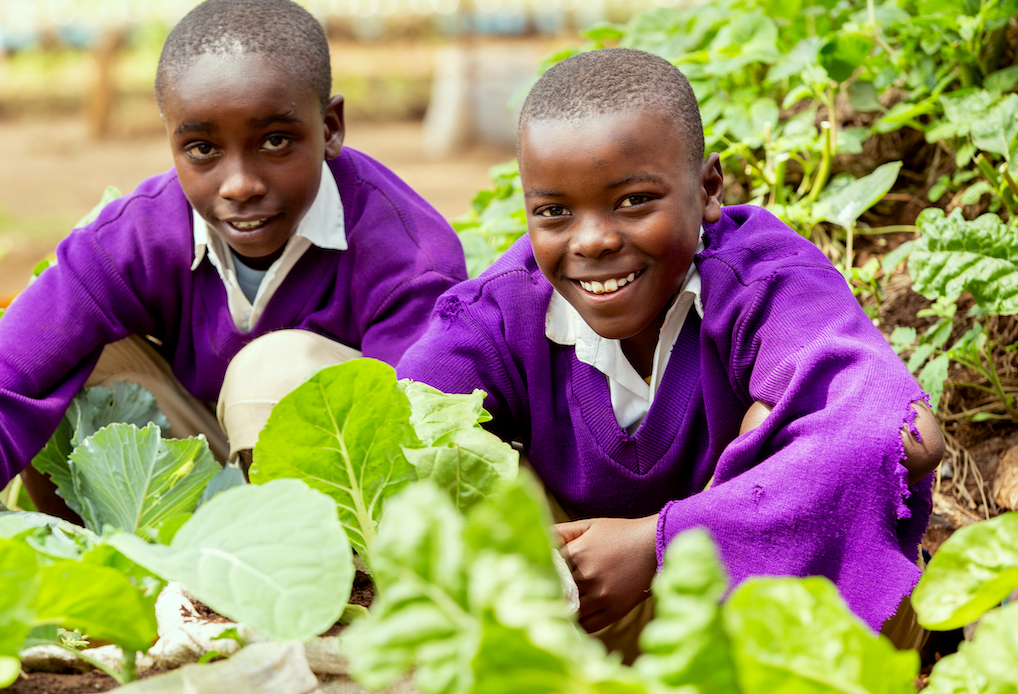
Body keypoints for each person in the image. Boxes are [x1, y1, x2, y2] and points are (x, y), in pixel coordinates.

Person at [396, 48, 943, 658]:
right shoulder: (505, 311)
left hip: (802, 627)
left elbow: (908, 436)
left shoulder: (762, 285)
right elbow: (400, 424)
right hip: (601, 619)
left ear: (708, 189)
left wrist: (663, 543)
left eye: (633, 201)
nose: (595, 240)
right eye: (553, 212)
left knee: (780, 415)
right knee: (447, 452)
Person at [0, 0, 466, 531]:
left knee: (273, 370)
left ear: (330, 128)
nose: (240, 185)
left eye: (276, 141)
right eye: (203, 149)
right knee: (69, 360)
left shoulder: (409, 256)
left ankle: (294, 594)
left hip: (334, 514)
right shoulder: (136, 237)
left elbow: (418, 452)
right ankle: (104, 581)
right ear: (172, 141)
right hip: (200, 474)